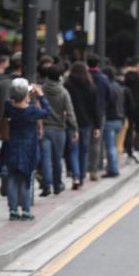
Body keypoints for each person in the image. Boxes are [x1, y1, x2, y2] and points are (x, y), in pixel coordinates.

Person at [2, 80, 49, 220]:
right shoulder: (32, 111)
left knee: (12, 179)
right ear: (25, 95)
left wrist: (22, 93)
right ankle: (26, 211)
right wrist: (40, 95)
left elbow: (11, 101)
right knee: (26, 179)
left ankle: (13, 211)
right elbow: (47, 112)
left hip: (11, 147)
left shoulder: (9, 106)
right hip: (29, 150)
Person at [40, 64, 77, 196]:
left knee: (45, 158)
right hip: (59, 129)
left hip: (44, 128)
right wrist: (74, 128)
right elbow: (70, 112)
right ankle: (57, 185)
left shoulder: (42, 90)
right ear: (60, 76)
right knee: (57, 159)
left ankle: (46, 185)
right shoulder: (63, 92)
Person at [64, 62, 100, 190]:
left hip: (71, 122)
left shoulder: (67, 85)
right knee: (84, 150)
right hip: (86, 123)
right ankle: (82, 176)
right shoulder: (91, 86)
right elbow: (95, 108)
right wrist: (97, 126)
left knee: (73, 150)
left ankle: (76, 176)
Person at [86, 55, 111, 182]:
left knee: (83, 141)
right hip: (99, 113)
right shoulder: (103, 78)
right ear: (98, 64)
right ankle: (94, 170)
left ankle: (81, 169)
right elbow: (109, 95)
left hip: (84, 113)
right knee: (96, 142)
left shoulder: (83, 77)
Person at [102, 67, 127, 178]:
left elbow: (106, 103)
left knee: (110, 146)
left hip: (110, 119)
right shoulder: (119, 87)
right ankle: (112, 166)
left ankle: (113, 169)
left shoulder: (108, 87)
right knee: (116, 145)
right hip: (119, 119)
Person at [122, 57, 139, 157]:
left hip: (128, 105)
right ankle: (137, 145)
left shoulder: (126, 76)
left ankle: (128, 147)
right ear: (137, 65)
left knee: (129, 127)